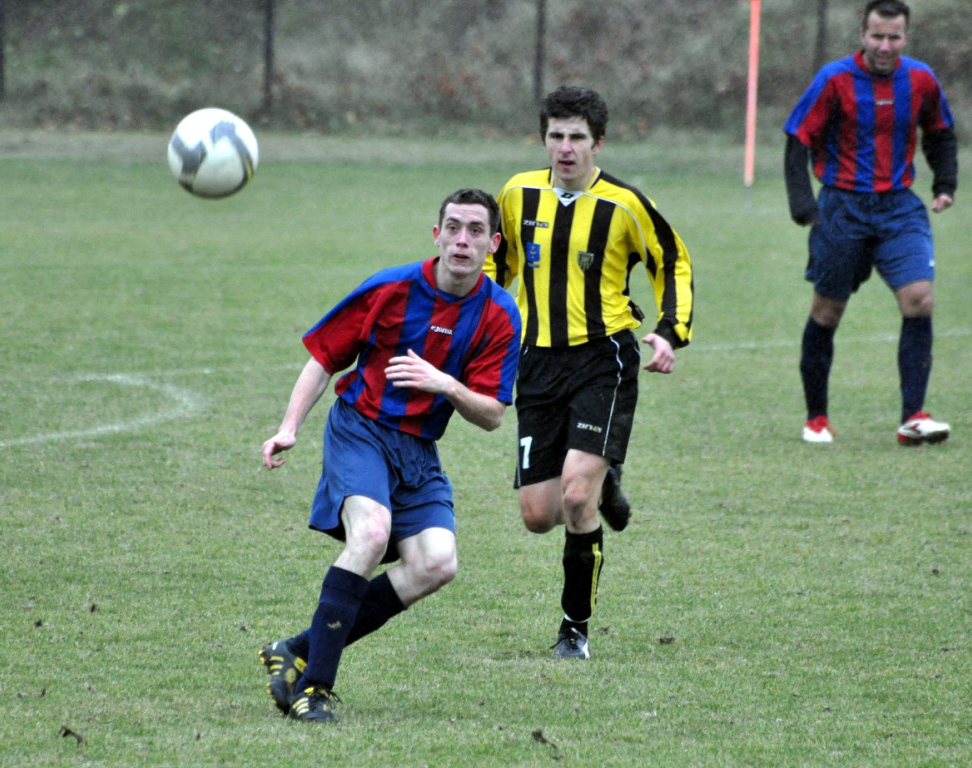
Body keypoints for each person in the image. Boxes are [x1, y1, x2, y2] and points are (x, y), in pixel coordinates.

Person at [258, 188, 521, 722]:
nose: (462, 240)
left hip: (419, 450)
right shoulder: (390, 288)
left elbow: (493, 414)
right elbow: (323, 358)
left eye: (474, 230)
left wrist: (446, 384)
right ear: (436, 235)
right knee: (373, 534)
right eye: (452, 227)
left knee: (436, 563)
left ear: (492, 244)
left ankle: (297, 649)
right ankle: (315, 689)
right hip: (361, 429)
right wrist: (289, 428)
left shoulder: (499, 314)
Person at [484, 86, 694, 659]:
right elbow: (494, 266)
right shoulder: (517, 194)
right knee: (538, 516)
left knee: (576, 496)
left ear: (598, 143)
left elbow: (670, 260)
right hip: (537, 363)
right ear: (543, 138)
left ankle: (574, 630)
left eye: (578, 137)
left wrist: (671, 330)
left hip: (604, 358)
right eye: (556, 135)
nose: (566, 147)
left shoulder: (624, 205)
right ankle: (606, 480)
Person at [784, 0, 957, 446]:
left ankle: (913, 417)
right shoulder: (833, 79)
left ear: (905, 37)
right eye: (877, 36)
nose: (885, 45)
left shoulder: (920, 78)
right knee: (827, 311)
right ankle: (816, 418)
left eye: (894, 37)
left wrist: (945, 183)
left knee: (919, 299)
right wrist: (803, 202)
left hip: (899, 207)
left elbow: (939, 130)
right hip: (842, 208)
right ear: (862, 35)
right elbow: (797, 138)